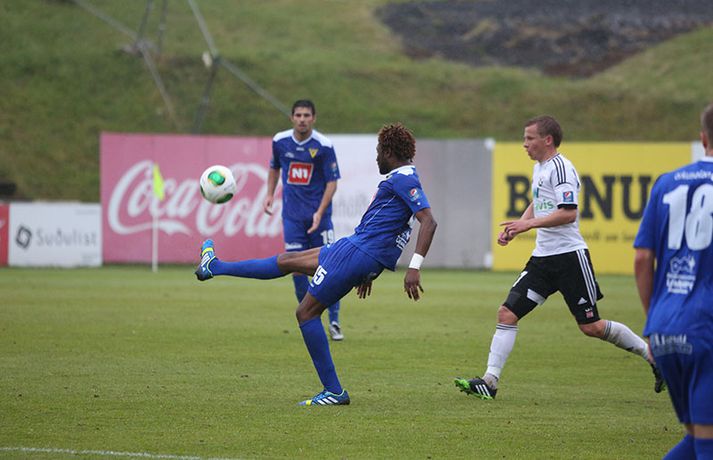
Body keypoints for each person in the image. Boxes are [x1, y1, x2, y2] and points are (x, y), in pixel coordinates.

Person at [196, 123, 437, 406]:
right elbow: (391, 227)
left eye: (378, 151)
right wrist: (370, 270)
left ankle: (333, 391)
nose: (376, 157)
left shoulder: (404, 179)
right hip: (356, 249)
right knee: (287, 261)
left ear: (388, 151)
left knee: (306, 313)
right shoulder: (402, 177)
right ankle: (215, 266)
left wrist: (414, 267)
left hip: (357, 252)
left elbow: (428, 221)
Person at [455, 115, 663, 400]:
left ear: (547, 140)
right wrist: (518, 225)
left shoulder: (561, 168)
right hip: (542, 260)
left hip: (569, 259)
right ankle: (489, 382)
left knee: (591, 326)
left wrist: (528, 225)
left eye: (529, 138)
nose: (524, 144)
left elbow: (568, 213)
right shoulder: (540, 168)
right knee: (507, 313)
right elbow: (539, 200)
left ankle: (652, 356)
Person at [633, 103, 713, 459]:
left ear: (703, 138)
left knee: (697, 440)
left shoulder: (666, 183)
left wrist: (654, 322)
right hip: (707, 328)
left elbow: (641, 259)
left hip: (666, 327)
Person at [264, 100, 344, 340]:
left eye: (306, 115)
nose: (302, 119)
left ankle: (335, 321)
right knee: (296, 268)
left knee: (330, 268)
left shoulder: (323, 146)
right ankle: (310, 318)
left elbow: (332, 182)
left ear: (314, 118)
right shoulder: (280, 141)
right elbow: (274, 168)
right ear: (292, 118)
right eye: (298, 115)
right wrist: (269, 194)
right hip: (292, 218)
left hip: (320, 218)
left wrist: (320, 212)